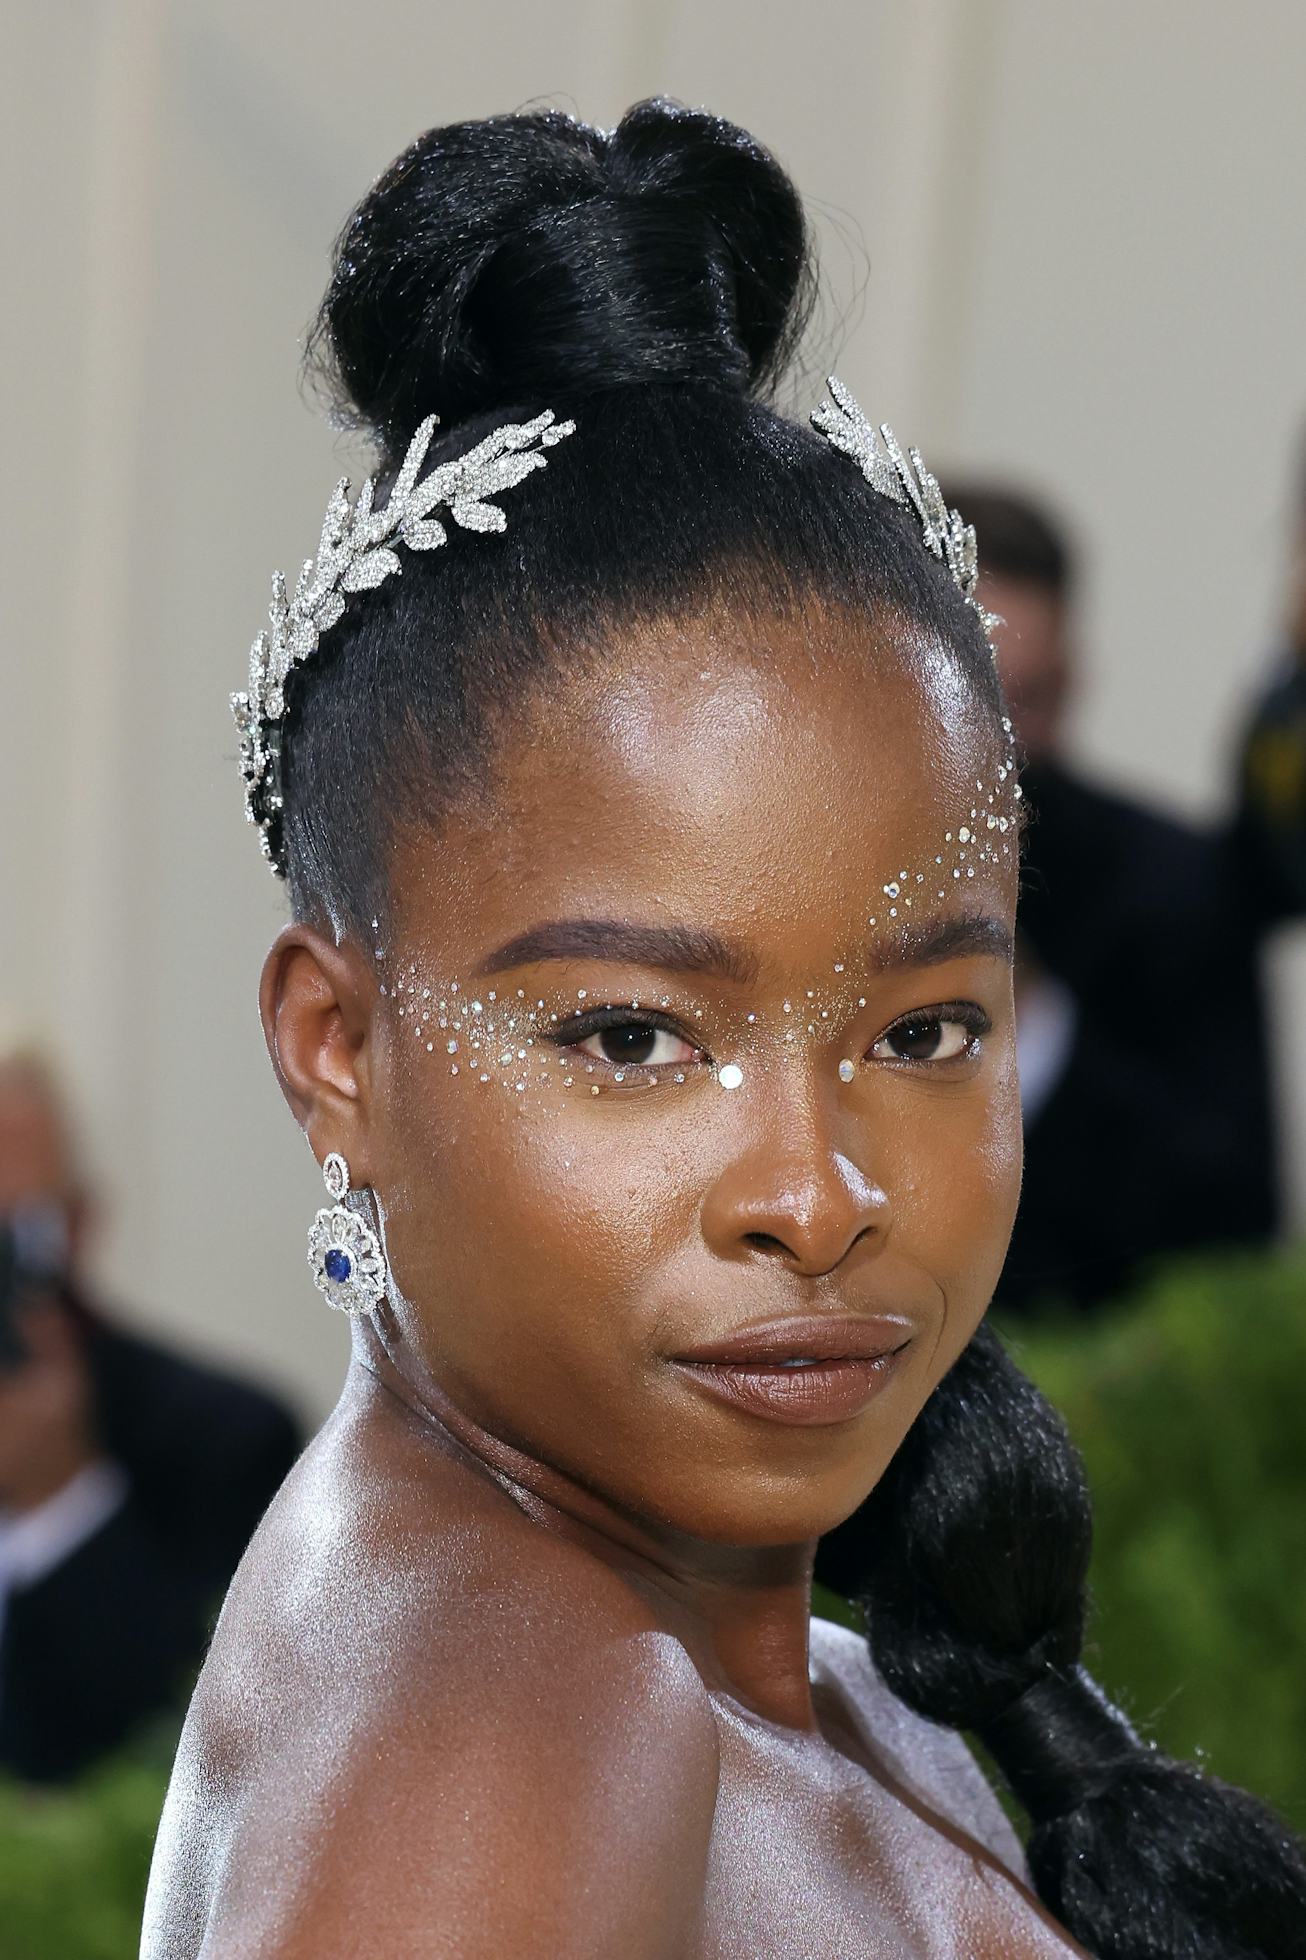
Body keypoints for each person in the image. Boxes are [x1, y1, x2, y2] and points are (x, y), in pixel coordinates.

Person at [142, 102, 1306, 1956]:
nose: (818, 1189)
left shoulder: (764, 1691)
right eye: (630, 1040)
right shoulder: (511, 1722)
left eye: (925, 1030)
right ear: (336, 1054)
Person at [946, 484, 1306, 1311]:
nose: (997, 744)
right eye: (963, 694)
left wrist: (1031, 1024)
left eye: (1028, 700)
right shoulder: (776, 874)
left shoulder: (1180, 889)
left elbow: (1234, 1236)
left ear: (1074, 684)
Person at [0, 1041, 303, 1782]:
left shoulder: (223, 1441)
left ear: (78, 1225)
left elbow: (208, 1752)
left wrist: (61, 1497)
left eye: (17, 1232)